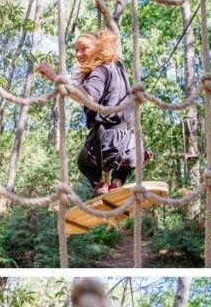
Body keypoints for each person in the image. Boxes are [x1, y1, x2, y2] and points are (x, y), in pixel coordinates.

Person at [37, 29, 137, 195]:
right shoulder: (117, 64)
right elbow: (116, 35)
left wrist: (54, 76)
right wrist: (104, 10)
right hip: (130, 142)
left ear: (99, 49)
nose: (78, 54)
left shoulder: (98, 72)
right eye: (76, 50)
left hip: (105, 141)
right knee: (124, 167)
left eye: (84, 48)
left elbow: (88, 97)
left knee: (84, 163)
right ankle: (116, 182)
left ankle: (101, 186)